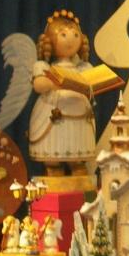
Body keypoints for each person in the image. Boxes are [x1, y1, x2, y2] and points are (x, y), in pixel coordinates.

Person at [29, 10, 96, 178]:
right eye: (64, 34)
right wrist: (57, 82)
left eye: (75, 34)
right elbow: (38, 84)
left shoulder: (84, 67)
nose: (71, 39)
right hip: (53, 109)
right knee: (55, 137)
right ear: (50, 41)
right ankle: (53, 166)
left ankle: (77, 164)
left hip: (80, 110)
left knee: (77, 137)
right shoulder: (43, 67)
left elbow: (94, 84)